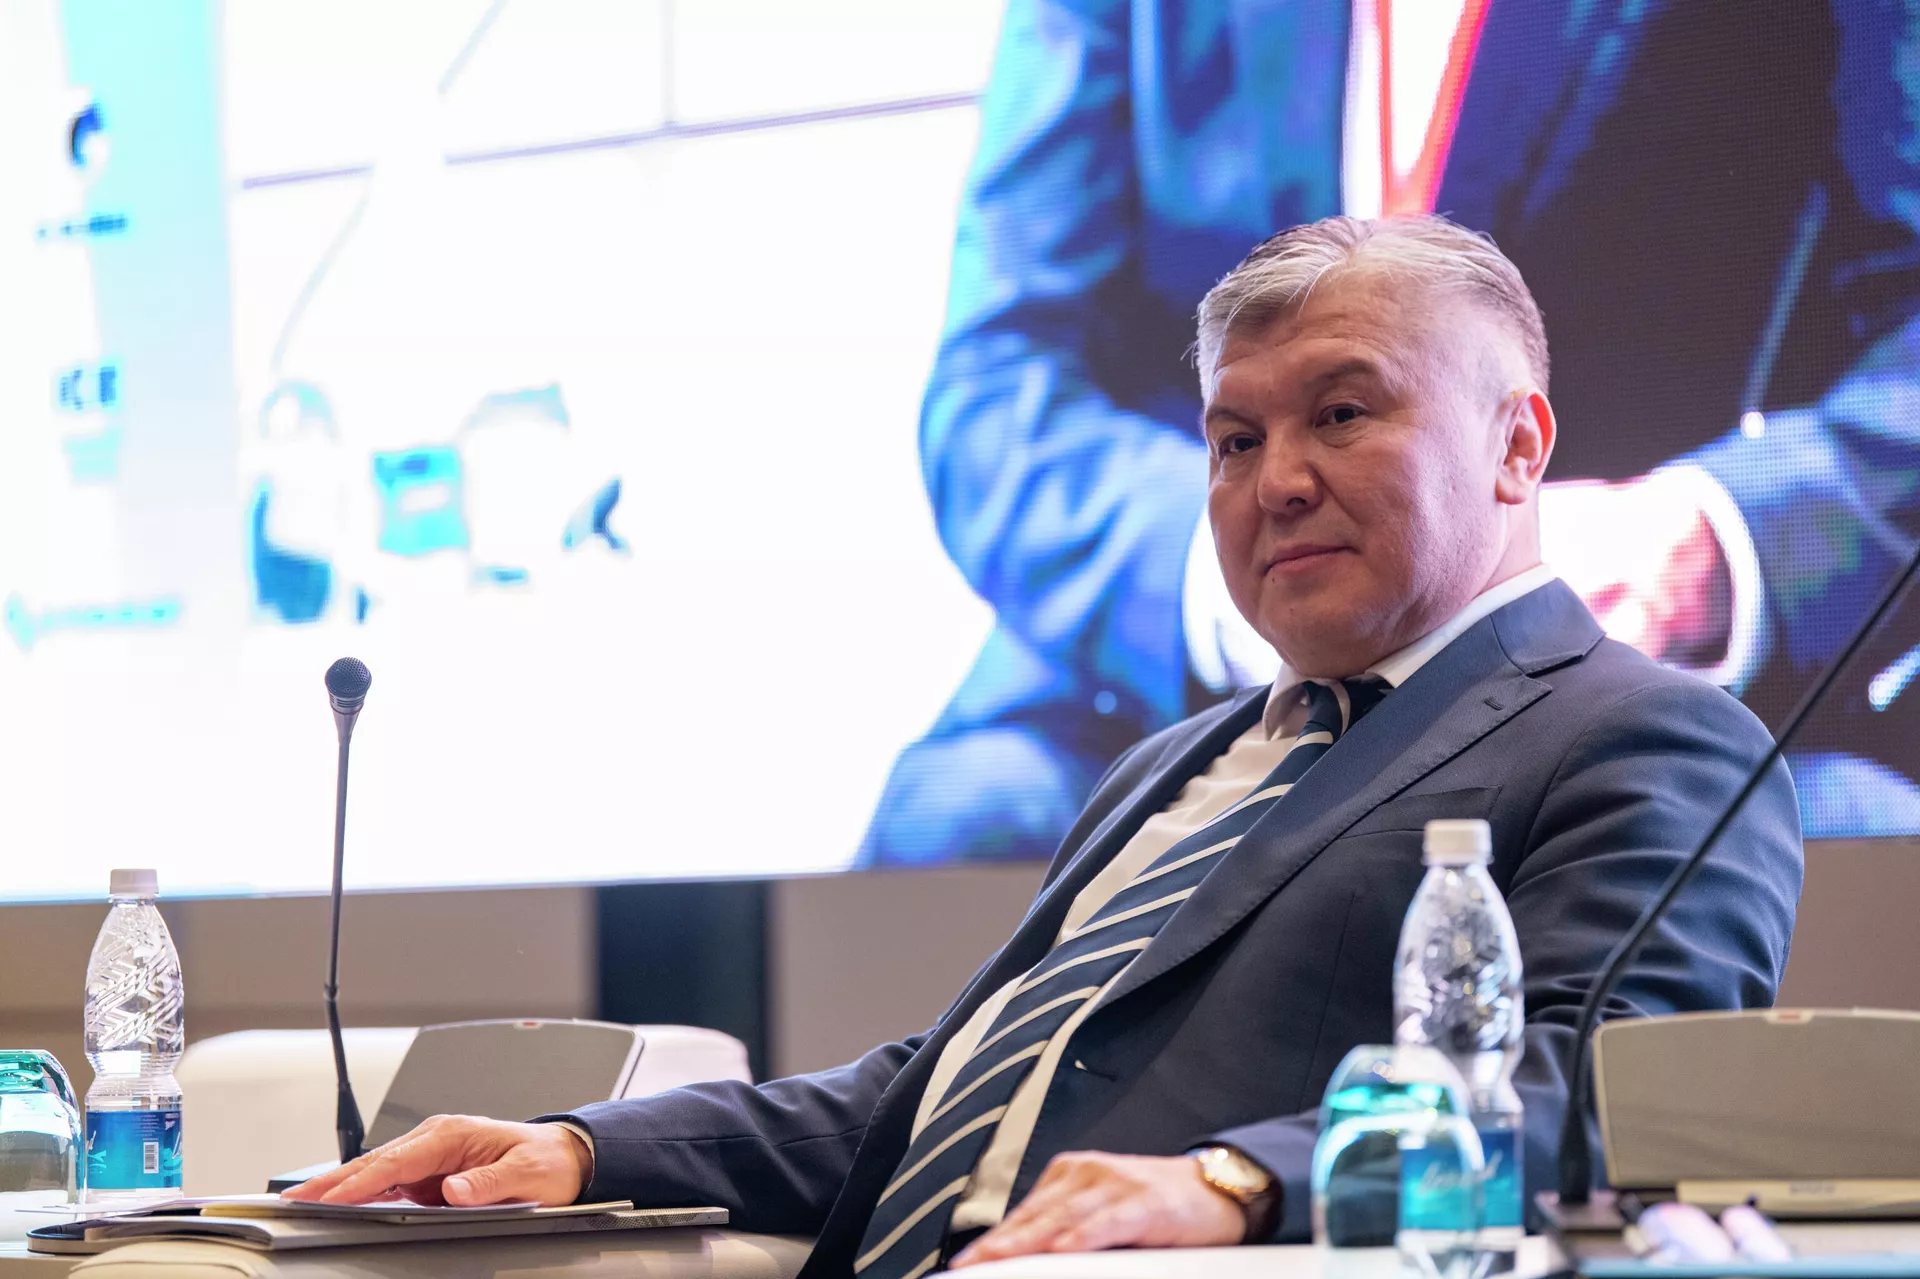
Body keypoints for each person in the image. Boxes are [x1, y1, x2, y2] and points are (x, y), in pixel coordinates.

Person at [288, 218, 1803, 1276]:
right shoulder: (1170, 766)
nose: (1275, 482)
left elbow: (1606, 1096)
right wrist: (583, 1146)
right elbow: (948, 1091)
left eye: (1343, 414)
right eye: (1233, 439)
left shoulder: (1647, 737)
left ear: (1519, 444)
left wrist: (1233, 1183)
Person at [857, 0, 1920, 868]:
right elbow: (1002, 385)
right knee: (959, 823)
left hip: (1619, 655)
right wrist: (1257, 562)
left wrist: (1708, 545)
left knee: (1843, 834)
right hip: (1190, 666)